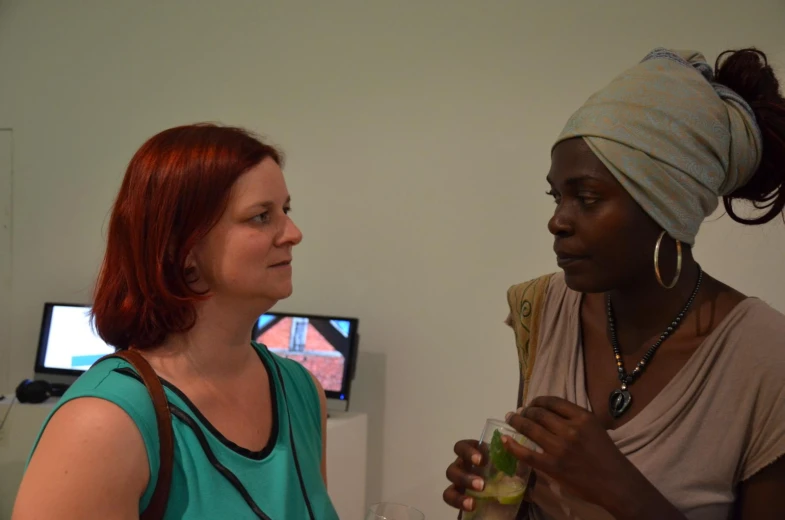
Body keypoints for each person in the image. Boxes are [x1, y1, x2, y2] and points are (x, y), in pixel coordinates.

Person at [444, 48, 785, 519]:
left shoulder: (767, 358)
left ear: (671, 209)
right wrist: (495, 484)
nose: (557, 221)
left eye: (586, 197)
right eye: (556, 195)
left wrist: (619, 487)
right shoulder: (541, 305)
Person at [12, 124, 340, 519]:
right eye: (260, 216)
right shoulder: (102, 426)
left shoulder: (302, 393)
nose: (293, 233)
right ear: (180, 248)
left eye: (285, 211)